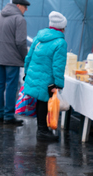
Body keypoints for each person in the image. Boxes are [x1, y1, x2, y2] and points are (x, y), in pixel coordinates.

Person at [23, 11, 67, 141]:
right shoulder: (60, 43)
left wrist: (26, 73)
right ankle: (42, 131)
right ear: (62, 27)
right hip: (47, 78)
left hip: (35, 75)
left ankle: (42, 129)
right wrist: (58, 84)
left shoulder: (38, 37)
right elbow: (58, 67)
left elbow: (28, 57)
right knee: (43, 102)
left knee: (40, 101)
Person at [0, 0, 30, 125]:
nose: (26, 10)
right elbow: (21, 42)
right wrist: (26, 57)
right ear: (18, 6)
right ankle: (8, 116)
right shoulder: (19, 19)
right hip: (12, 59)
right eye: (25, 7)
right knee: (11, 87)